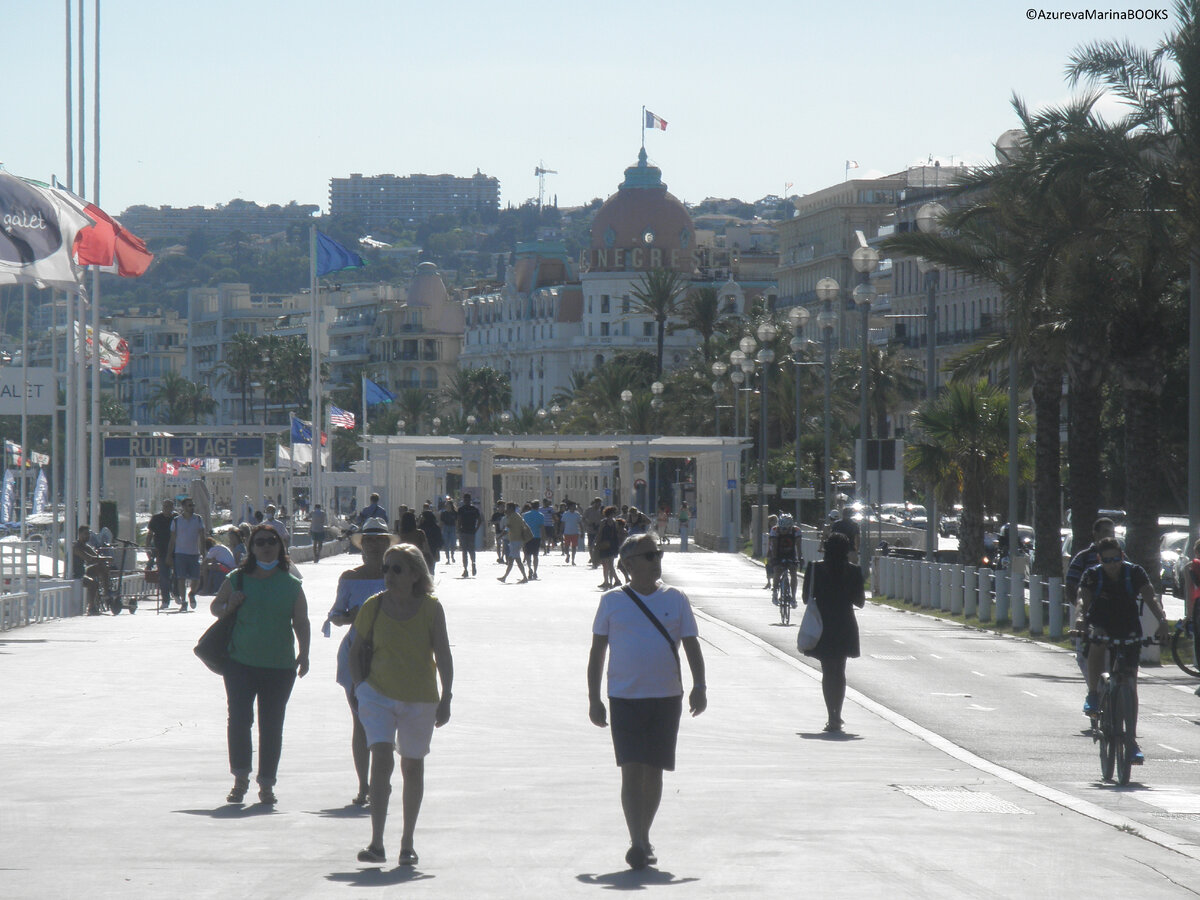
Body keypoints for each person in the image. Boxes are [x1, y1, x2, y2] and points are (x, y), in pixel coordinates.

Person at [587, 532, 707, 871]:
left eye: (658, 554)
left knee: (654, 770)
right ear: (628, 565)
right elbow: (598, 652)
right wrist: (594, 699)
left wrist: (700, 685)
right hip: (624, 696)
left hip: (666, 695)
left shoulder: (677, 598)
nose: (657, 560)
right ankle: (637, 840)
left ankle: (644, 835)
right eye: (650, 555)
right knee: (631, 770)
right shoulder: (612, 601)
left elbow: (692, 644)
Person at [350, 544, 453, 867]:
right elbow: (356, 651)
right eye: (386, 568)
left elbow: (443, 654)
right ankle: (377, 842)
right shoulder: (373, 606)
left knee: (412, 766)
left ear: (415, 574)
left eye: (397, 569)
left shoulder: (431, 608)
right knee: (381, 758)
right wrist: (361, 688)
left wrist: (447, 695)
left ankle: (407, 842)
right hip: (377, 694)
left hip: (420, 698)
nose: (389, 575)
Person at [208, 523, 310, 805]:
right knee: (239, 721)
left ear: (280, 546)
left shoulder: (291, 584)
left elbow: (301, 620)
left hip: (279, 666)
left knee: (272, 725)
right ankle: (240, 779)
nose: (266, 546)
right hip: (240, 663)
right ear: (251, 548)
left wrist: (305, 652)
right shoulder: (237, 579)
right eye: (260, 542)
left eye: (272, 541)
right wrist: (230, 607)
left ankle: (266, 784)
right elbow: (215, 607)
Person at [1075, 536, 1169, 762]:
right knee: (1098, 641)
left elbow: (1151, 598)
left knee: (1130, 682)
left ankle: (1131, 739)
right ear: (1100, 559)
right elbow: (1082, 601)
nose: (1112, 564)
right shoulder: (1092, 575)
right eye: (1107, 560)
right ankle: (1094, 694)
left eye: (1116, 559)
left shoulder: (1134, 572)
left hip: (1128, 625)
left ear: (1122, 556)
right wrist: (1080, 620)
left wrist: (1162, 620)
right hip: (1101, 622)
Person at [324, 517, 396, 806]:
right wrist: (351, 616)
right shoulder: (350, 578)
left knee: (387, 722)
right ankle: (365, 785)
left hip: (391, 654)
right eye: (369, 541)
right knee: (360, 721)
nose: (374, 546)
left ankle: (382, 783)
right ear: (361, 545)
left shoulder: (398, 575)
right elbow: (336, 615)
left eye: (379, 540)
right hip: (356, 653)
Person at [801, 531, 865, 732]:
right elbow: (860, 602)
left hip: (823, 623)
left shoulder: (814, 569)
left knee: (828, 671)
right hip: (845, 622)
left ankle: (832, 715)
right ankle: (838, 714)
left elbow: (805, 598)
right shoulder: (854, 571)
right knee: (840, 670)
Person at [1065, 517, 1117, 677]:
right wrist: (1082, 613)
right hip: (1089, 621)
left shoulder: (1123, 559)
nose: (1110, 536)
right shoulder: (1083, 558)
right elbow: (1071, 586)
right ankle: (1094, 695)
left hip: (1115, 620)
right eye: (1106, 532)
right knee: (1086, 660)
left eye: (1112, 532)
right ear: (1095, 534)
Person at [167, 497, 206, 611]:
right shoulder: (176, 521)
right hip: (180, 553)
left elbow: (202, 537)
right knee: (181, 579)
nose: (192, 507)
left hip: (194, 553)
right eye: (189, 505)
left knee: (196, 579)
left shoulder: (198, 519)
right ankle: (183, 601)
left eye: (192, 505)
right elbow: (172, 539)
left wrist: (203, 552)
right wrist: (169, 555)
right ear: (183, 507)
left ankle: (192, 594)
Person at [73, 525, 114, 615]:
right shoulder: (76, 547)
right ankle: (91, 607)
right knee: (93, 583)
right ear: (79, 534)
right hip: (76, 574)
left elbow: (96, 556)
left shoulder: (86, 546)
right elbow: (89, 558)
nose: (87, 536)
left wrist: (104, 560)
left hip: (84, 571)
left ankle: (106, 593)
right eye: (85, 534)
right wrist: (107, 558)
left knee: (103, 566)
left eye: (88, 534)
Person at [147, 499, 176, 610]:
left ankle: (175, 591)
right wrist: (148, 548)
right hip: (160, 551)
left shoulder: (176, 519)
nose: (167, 508)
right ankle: (165, 600)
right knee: (164, 576)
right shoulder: (156, 519)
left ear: (172, 508)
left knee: (177, 575)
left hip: (175, 551)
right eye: (165, 506)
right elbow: (150, 533)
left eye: (169, 506)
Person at [769, 513, 801, 607]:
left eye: (786, 529)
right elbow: (774, 545)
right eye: (782, 528)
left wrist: (800, 558)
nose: (784, 531)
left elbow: (798, 546)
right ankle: (775, 593)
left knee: (793, 573)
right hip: (778, 553)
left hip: (791, 553)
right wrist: (774, 559)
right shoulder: (775, 530)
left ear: (791, 527)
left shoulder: (796, 530)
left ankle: (794, 597)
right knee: (777, 571)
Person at [498, 502, 532, 583]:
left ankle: (524, 577)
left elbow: (507, 528)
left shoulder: (512, 517)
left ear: (511, 509)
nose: (506, 509)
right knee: (512, 559)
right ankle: (505, 577)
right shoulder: (516, 516)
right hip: (516, 540)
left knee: (516, 560)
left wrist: (499, 536)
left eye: (507, 508)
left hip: (515, 541)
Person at [595, 506, 621, 590]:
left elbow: (617, 534)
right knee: (607, 564)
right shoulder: (607, 522)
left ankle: (613, 581)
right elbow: (599, 533)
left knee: (608, 564)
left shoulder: (613, 522)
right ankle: (608, 581)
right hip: (607, 544)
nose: (615, 514)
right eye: (614, 513)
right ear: (610, 513)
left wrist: (597, 543)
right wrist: (597, 542)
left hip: (610, 544)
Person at [457, 493, 482, 577]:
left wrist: (458, 530)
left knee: (464, 551)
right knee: (471, 550)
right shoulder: (474, 509)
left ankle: (465, 569)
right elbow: (480, 520)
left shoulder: (461, 509)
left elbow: (459, 521)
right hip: (471, 532)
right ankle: (473, 564)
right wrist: (476, 529)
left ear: (464, 500)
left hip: (464, 531)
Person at [522, 501, 544, 580]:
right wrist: (543, 540)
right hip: (536, 537)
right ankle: (535, 571)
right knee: (535, 555)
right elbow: (542, 528)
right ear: (538, 506)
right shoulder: (541, 516)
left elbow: (523, 526)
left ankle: (529, 569)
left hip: (527, 537)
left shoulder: (525, 515)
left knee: (528, 555)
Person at [582, 498, 604, 566]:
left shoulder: (601, 510)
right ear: (595, 503)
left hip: (599, 530)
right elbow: (583, 518)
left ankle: (598, 558)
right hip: (591, 530)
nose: (599, 505)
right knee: (591, 545)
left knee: (599, 546)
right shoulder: (589, 510)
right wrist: (588, 524)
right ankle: (592, 558)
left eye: (600, 503)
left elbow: (604, 518)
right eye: (598, 503)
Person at [561, 501, 583, 565]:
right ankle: (567, 555)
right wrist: (560, 532)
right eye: (573, 506)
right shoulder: (565, 514)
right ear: (570, 507)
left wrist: (582, 532)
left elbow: (580, 523)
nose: (574, 507)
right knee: (566, 547)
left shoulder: (577, 514)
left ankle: (573, 560)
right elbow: (562, 523)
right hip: (567, 533)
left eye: (575, 506)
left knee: (574, 547)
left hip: (575, 533)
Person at [438, 499, 457, 565]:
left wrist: (457, 530)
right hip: (446, 528)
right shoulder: (444, 513)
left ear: (451, 505)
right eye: (446, 505)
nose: (447, 506)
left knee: (452, 544)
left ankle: (452, 555)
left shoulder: (454, 513)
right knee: (446, 544)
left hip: (452, 528)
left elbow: (456, 522)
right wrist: (439, 530)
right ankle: (448, 558)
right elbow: (441, 522)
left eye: (448, 505)